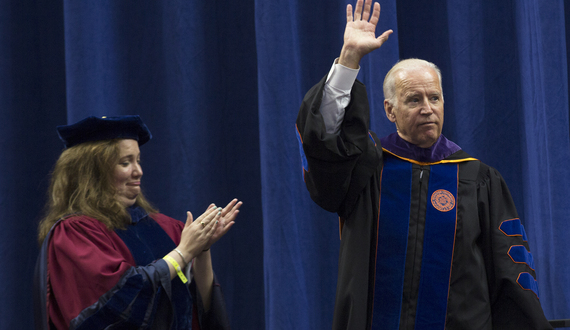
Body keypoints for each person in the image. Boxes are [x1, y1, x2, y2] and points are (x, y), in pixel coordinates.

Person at [295, 0, 552, 329]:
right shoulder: (365, 169)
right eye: (414, 100)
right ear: (390, 110)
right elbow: (321, 138)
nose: (427, 108)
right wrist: (349, 60)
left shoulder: (478, 179)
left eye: (434, 98)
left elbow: (511, 276)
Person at [34, 115, 241, 329]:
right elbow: (116, 302)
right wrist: (184, 252)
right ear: (92, 172)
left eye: (138, 160)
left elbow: (202, 308)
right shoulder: (74, 234)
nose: (138, 171)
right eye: (125, 162)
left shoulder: (168, 228)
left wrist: (202, 249)